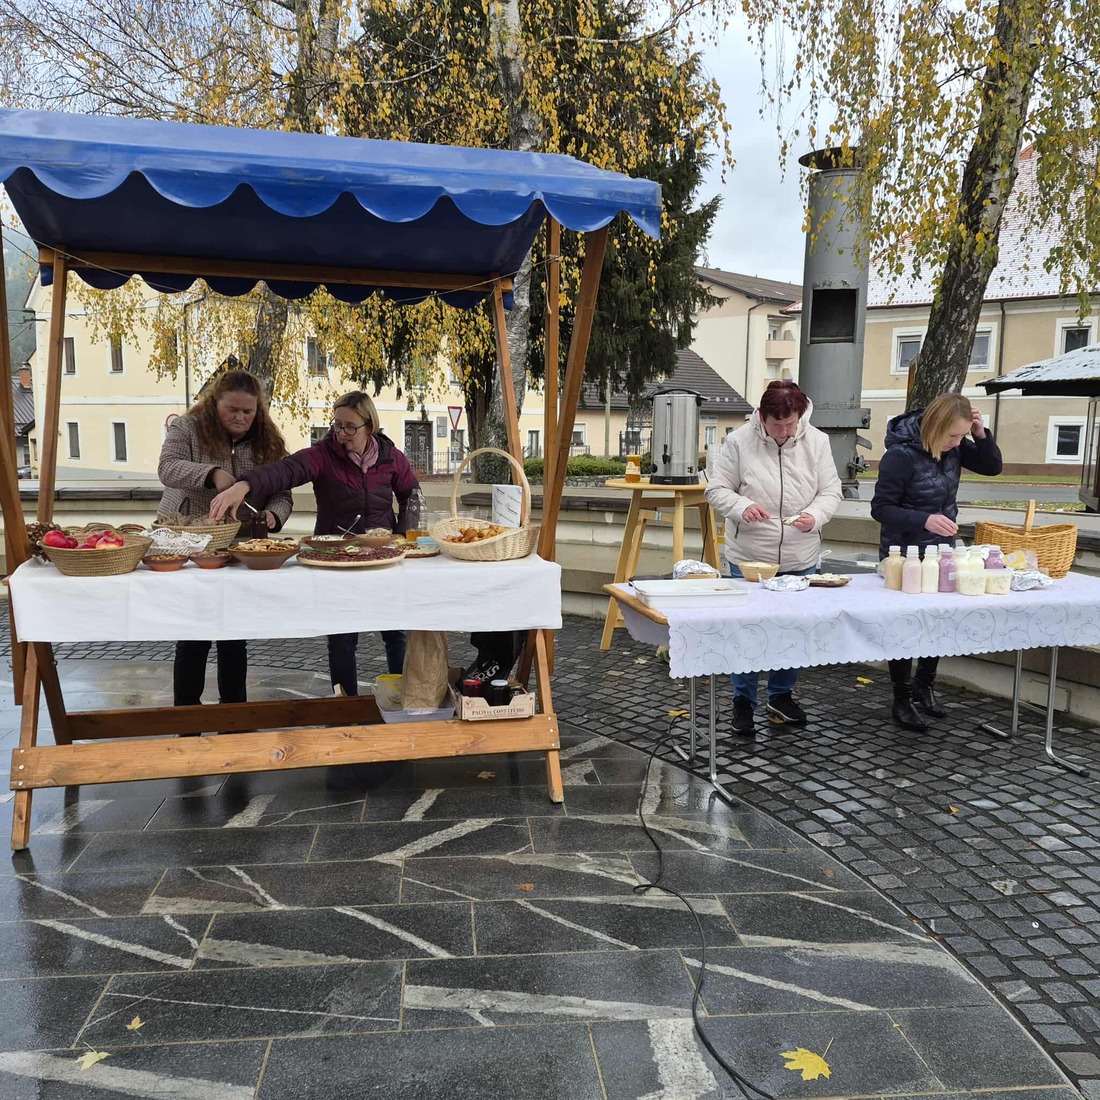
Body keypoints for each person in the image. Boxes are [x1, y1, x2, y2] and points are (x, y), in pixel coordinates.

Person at [210, 390, 417, 694]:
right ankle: (344, 704)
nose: (341, 433)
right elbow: (286, 470)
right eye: (337, 425)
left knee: (396, 632)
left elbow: (411, 494)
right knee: (343, 637)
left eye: (350, 427)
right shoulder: (323, 455)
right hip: (337, 562)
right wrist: (245, 485)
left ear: (369, 427)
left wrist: (401, 534)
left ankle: (405, 695)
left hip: (383, 559)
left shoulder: (391, 458)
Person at [705, 380, 842, 734]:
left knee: (791, 631)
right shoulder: (738, 442)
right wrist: (741, 505)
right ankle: (742, 701)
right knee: (747, 631)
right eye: (776, 424)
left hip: (800, 553)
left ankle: (780, 696)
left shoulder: (818, 442)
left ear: (800, 417)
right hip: (749, 556)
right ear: (762, 417)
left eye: (790, 424)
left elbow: (831, 491)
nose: (783, 432)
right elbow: (717, 489)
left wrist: (816, 515)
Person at [158, 367, 293, 707]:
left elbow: (282, 490)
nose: (240, 417)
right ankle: (186, 720)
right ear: (213, 403)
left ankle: (234, 719)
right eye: (232, 409)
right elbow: (167, 467)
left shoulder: (267, 438)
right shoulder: (187, 428)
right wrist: (212, 474)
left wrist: (273, 516)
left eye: (248, 411)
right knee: (193, 638)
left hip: (241, 547)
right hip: (189, 545)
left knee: (234, 637)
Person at [871, 393, 1003, 732]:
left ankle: (924, 686)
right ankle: (901, 698)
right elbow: (881, 509)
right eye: (952, 436)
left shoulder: (955, 447)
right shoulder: (900, 456)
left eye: (961, 436)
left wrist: (980, 433)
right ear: (933, 426)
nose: (957, 443)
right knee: (905, 625)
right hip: (903, 554)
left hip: (941, 551)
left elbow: (992, 467)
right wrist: (923, 520)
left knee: (938, 622)